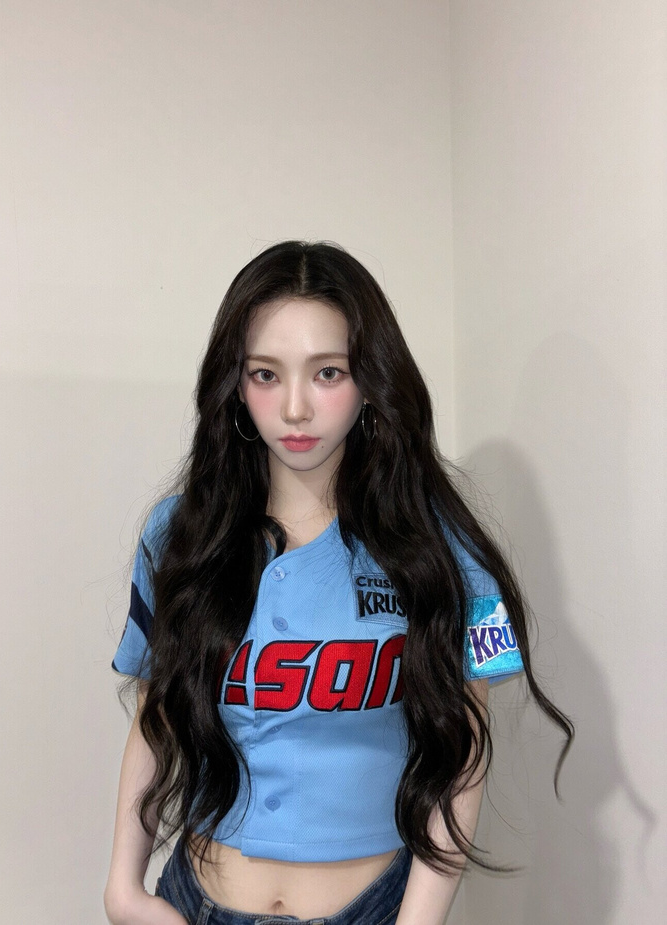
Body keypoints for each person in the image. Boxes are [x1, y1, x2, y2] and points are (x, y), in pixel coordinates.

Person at [104, 241, 572, 925]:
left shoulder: (444, 545)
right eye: (265, 374)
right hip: (192, 903)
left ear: (372, 378)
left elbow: (463, 750)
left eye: (328, 372)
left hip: (370, 908)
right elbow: (155, 713)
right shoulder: (179, 532)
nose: (295, 408)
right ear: (235, 384)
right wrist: (123, 888)